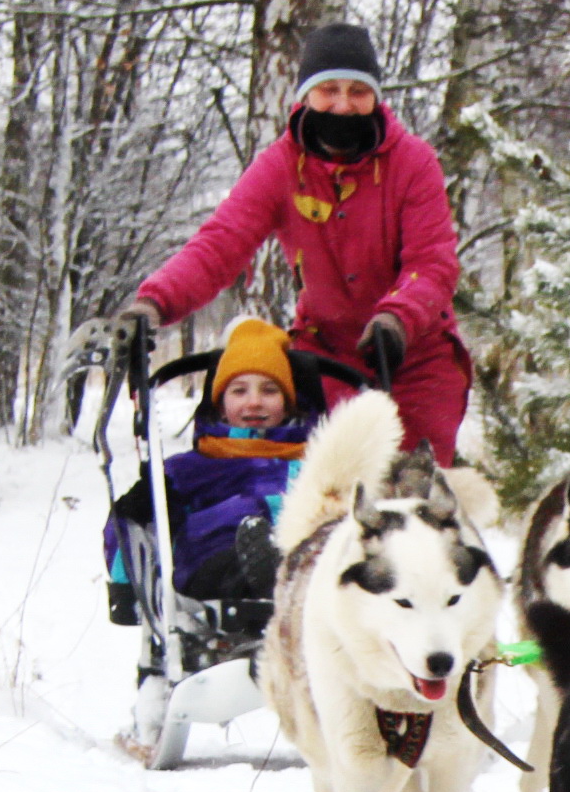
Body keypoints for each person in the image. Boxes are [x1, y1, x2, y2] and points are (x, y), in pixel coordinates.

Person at [109, 23, 470, 464]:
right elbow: (220, 244)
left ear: (376, 98)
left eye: (358, 91)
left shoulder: (413, 163)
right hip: (326, 350)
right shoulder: (281, 166)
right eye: (329, 90)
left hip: (414, 351)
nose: (343, 104)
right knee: (322, 488)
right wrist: (154, 303)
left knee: (412, 492)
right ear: (305, 96)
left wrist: (397, 317)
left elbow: (432, 263)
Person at [104, 317, 310, 604]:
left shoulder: (315, 462)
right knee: (226, 550)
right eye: (239, 391)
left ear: (287, 402)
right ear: (222, 407)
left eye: (269, 390)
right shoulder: (189, 469)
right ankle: (265, 574)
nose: (254, 402)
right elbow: (129, 533)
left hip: (305, 563)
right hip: (213, 565)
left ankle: (283, 573)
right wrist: (134, 513)